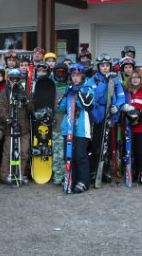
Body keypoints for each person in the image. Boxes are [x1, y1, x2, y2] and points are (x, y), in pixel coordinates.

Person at [59, 64, 94, 193]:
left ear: (82, 76)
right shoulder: (69, 88)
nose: (75, 78)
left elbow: (87, 104)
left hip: (82, 128)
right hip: (68, 127)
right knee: (68, 155)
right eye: (73, 76)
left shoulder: (89, 88)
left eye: (77, 75)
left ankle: (83, 181)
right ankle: (70, 178)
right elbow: (61, 108)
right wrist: (67, 94)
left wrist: (77, 92)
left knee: (80, 155)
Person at [89, 54, 125, 183]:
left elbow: (121, 96)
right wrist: (104, 82)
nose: (105, 68)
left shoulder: (116, 80)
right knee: (96, 145)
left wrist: (117, 106)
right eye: (102, 66)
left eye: (107, 66)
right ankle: (93, 170)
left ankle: (105, 170)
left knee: (109, 146)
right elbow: (95, 96)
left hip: (111, 114)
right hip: (98, 114)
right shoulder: (93, 80)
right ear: (98, 67)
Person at [0, 69, 34, 185]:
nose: (14, 82)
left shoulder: (24, 92)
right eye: (12, 79)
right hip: (10, 127)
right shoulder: (5, 93)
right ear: (9, 80)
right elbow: (0, 108)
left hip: (23, 128)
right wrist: (8, 120)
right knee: (8, 152)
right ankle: (5, 175)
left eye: (17, 79)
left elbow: (31, 108)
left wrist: (26, 101)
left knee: (23, 152)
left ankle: (20, 173)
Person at [123, 68, 142, 185]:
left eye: (137, 78)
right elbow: (122, 105)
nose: (135, 80)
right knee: (131, 150)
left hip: (141, 127)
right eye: (133, 78)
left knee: (141, 150)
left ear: (141, 79)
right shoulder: (127, 92)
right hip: (129, 127)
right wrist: (125, 108)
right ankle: (133, 171)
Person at [52, 63, 68, 185]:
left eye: (63, 73)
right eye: (58, 73)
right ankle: (58, 174)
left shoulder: (70, 87)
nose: (60, 75)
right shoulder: (51, 86)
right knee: (57, 151)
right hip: (55, 123)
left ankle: (67, 174)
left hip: (67, 123)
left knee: (66, 151)